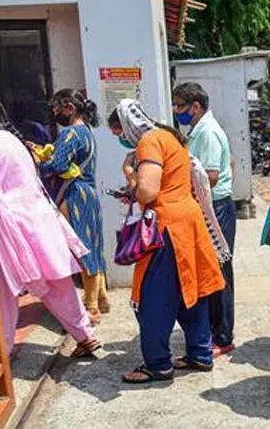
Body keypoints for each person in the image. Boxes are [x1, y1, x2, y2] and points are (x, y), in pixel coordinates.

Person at [0, 94, 100, 358]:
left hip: (8, 226)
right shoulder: (15, 141)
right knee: (59, 285)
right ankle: (85, 335)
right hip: (40, 218)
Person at [108, 99, 224, 384]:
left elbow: (147, 191)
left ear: (127, 126)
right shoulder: (170, 137)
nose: (121, 139)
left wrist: (130, 175)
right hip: (188, 222)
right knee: (190, 291)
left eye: (118, 132)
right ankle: (199, 353)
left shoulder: (148, 141)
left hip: (165, 229)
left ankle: (158, 364)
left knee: (151, 298)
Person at [171, 82, 237, 358]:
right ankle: (214, 327)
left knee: (219, 270)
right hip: (208, 206)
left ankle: (223, 334)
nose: (176, 111)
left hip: (217, 207)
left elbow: (210, 175)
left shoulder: (207, 132)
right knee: (210, 269)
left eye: (179, 106)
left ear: (195, 106)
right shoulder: (197, 131)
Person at [37, 89, 108, 324]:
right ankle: (100, 298)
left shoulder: (69, 133)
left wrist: (40, 161)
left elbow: (58, 165)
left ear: (70, 107)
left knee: (79, 249)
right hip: (90, 193)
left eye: (58, 109)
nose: (56, 114)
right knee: (92, 246)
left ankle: (90, 308)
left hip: (74, 194)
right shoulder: (87, 132)